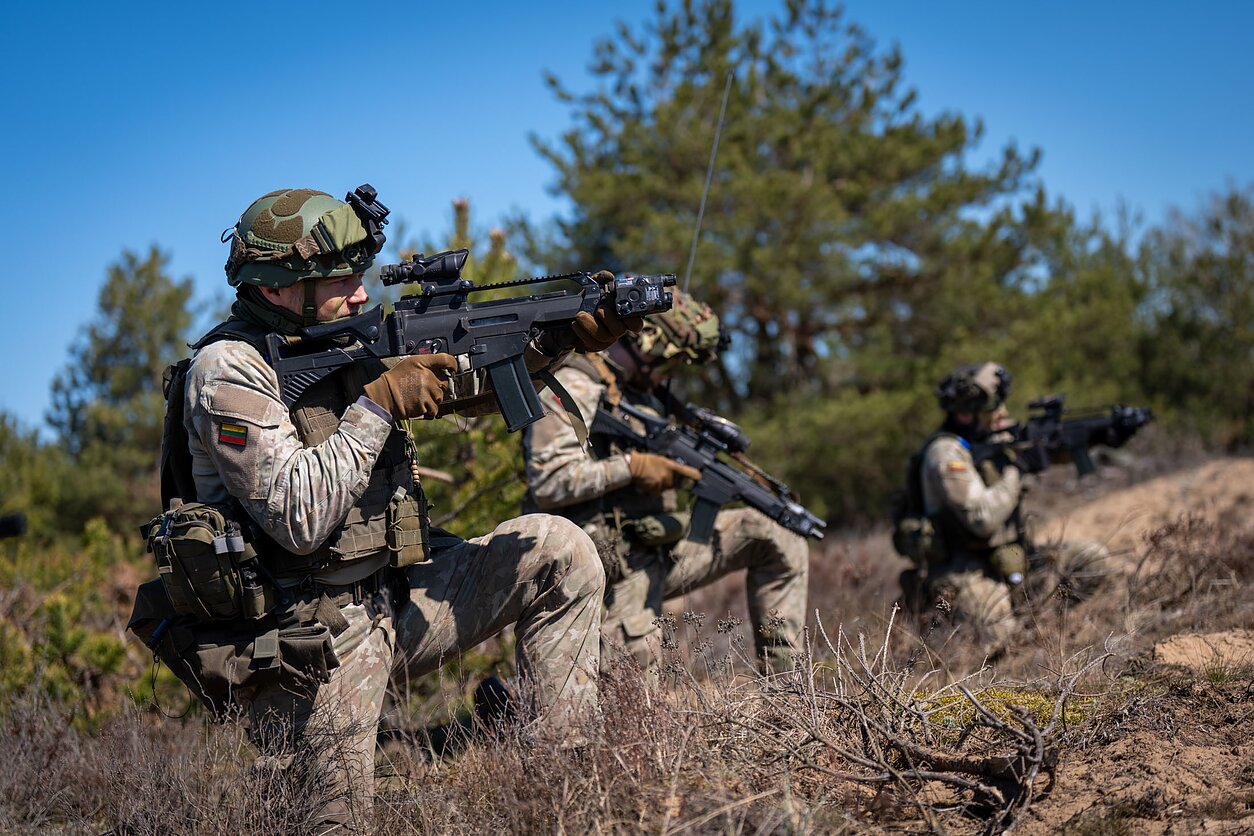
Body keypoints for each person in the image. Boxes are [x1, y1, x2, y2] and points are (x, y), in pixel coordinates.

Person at [130, 187, 637, 830]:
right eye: (344, 279)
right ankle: (288, 772)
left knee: (560, 552)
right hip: (304, 639)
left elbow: (469, 377)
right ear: (283, 287)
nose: (364, 294)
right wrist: (379, 407)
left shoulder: (344, 335)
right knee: (336, 822)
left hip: (389, 595)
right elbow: (299, 515)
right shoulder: (227, 371)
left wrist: (561, 338)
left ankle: (560, 788)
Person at [520, 291, 809, 674]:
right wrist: (634, 467)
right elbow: (549, 480)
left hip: (659, 546)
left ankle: (787, 693)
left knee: (777, 535)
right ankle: (502, 710)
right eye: (671, 363)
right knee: (633, 696)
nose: (673, 375)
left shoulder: (644, 394)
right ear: (646, 342)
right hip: (606, 562)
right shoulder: (576, 383)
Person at [897, 362, 1110, 646]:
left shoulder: (989, 438)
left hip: (1012, 559)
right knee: (997, 632)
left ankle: (1038, 628)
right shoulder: (946, 453)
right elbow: (981, 519)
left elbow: (1050, 448)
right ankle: (946, 623)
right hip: (963, 571)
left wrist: (1099, 436)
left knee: (1092, 560)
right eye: (994, 407)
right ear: (966, 411)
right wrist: (1017, 470)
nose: (1003, 413)